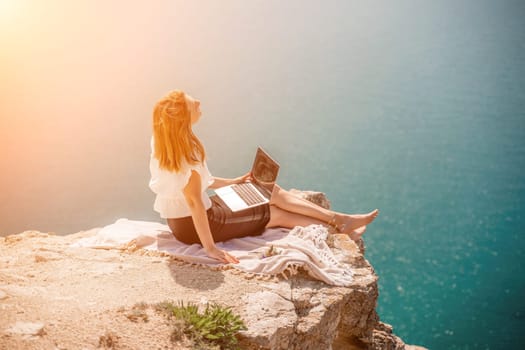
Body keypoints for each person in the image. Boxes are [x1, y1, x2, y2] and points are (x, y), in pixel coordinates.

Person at [149, 90, 379, 264]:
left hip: (182, 223)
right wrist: (210, 248)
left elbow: (194, 185)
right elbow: (194, 201)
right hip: (202, 224)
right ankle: (340, 228)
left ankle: (338, 219)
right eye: (193, 103)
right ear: (183, 117)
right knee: (275, 214)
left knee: (270, 190)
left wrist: (234, 182)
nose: (198, 103)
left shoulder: (166, 143)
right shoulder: (188, 151)